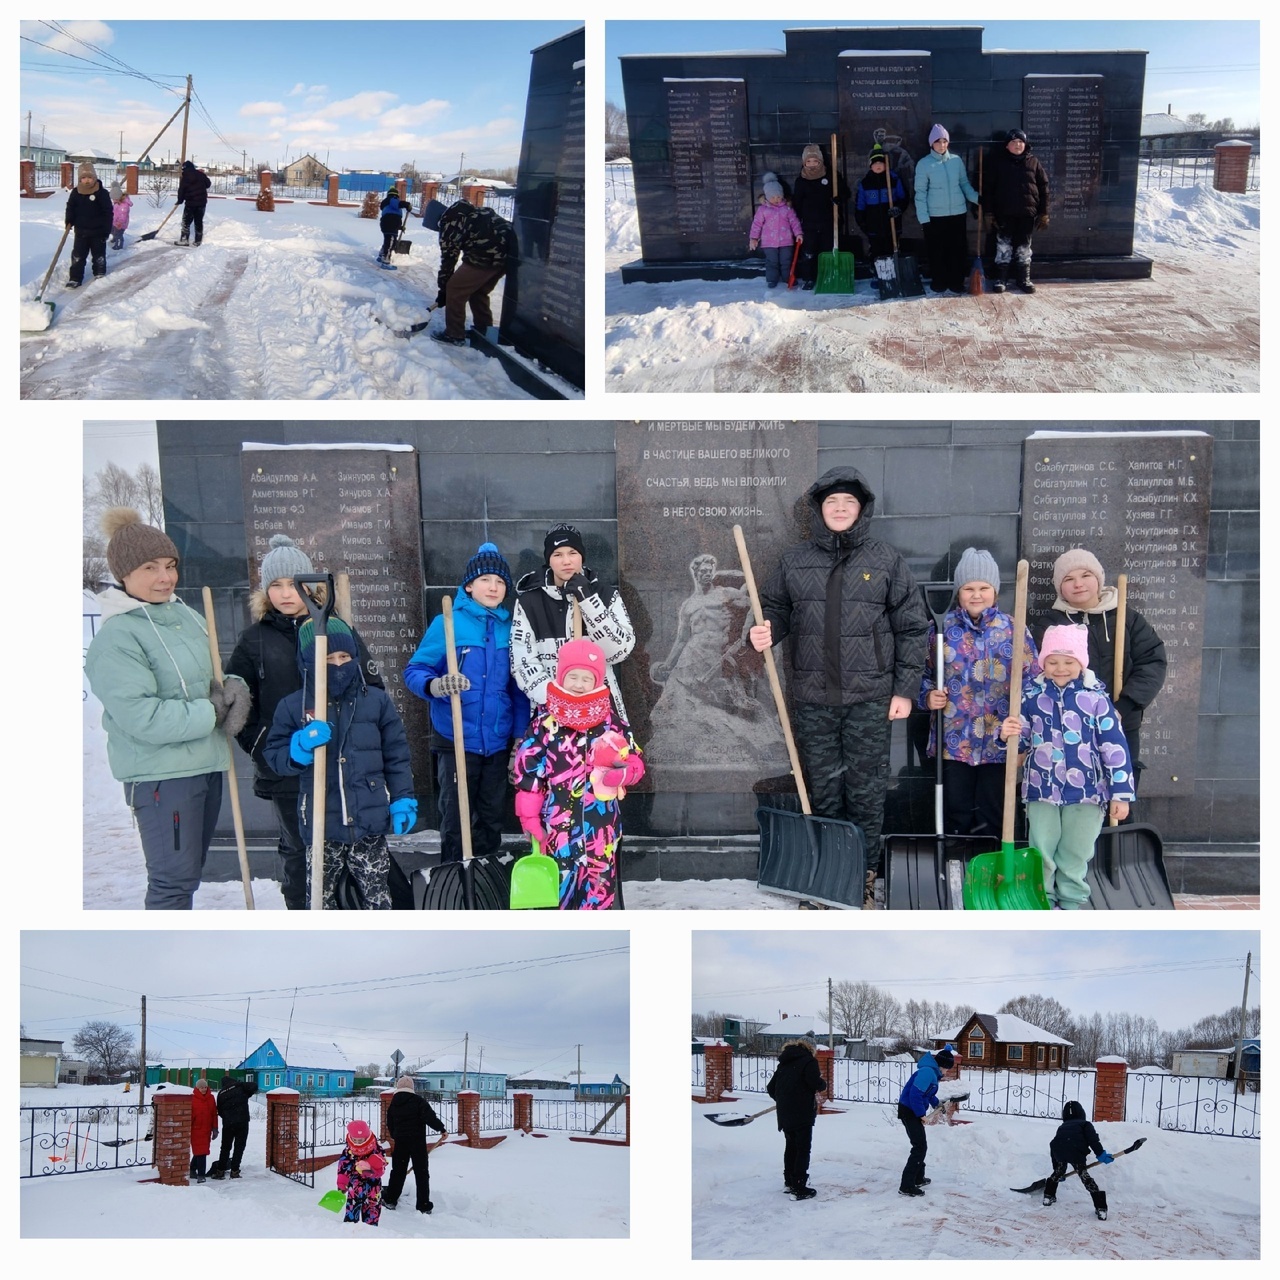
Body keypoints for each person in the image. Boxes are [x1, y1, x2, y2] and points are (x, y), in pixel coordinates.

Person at [748, 468, 929, 908]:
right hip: (813, 698)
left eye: (849, 502)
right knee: (824, 791)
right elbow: (774, 607)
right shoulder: (795, 560)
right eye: (832, 503)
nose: (841, 509)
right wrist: (766, 630)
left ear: (862, 509)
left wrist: (904, 689)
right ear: (819, 509)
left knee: (866, 792)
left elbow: (912, 626)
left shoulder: (885, 560)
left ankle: (863, 875)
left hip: (870, 699)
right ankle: (830, 876)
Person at [85, 508, 250, 909]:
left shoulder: (186, 617)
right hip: (163, 779)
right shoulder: (118, 637)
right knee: (173, 883)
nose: (165, 577)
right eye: (150, 567)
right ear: (125, 574)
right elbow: (143, 717)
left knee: (188, 876)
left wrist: (235, 689)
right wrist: (211, 713)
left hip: (205, 766)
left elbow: (214, 678)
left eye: (170, 565)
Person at [225, 535, 385, 910]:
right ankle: (303, 914)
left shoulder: (337, 629)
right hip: (286, 772)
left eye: (293, 584)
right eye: (275, 585)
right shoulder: (254, 641)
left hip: (341, 767)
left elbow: (371, 688)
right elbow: (239, 709)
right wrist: (267, 747)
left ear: (310, 588)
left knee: (343, 848)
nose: (285, 594)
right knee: (299, 850)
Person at [263, 617, 416, 910]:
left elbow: (396, 754)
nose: (338, 664)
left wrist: (402, 799)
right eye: (327, 658)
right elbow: (274, 756)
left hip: (368, 821)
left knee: (378, 896)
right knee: (321, 899)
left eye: (344, 656)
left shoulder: (376, 701)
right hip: (321, 824)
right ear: (309, 661)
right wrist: (299, 747)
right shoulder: (294, 706)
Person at [403, 542, 529, 865]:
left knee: (490, 817)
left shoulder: (509, 627)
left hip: (497, 742)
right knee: (456, 819)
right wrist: (436, 685)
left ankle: (484, 878)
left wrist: (519, 736)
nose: (493, 587)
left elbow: (517, 689)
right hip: (456, 739)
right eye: (486, 579)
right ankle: (454, 880)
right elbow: (415, 671)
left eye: (500, 582)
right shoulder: (448, 623)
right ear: (470, 585)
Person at [1000, 624, 1135, 909]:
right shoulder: (1030, 697)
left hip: (1087, 792)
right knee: (1042, 850)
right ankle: (1044, 899)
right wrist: (1007, 735)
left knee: (1077, 850)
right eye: (1053, 661)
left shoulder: (1096, 700)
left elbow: (1114, 747)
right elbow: (1019, 744)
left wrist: (1120, 794)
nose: (1060, 668)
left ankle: (1072, 901)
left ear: (1081, 663)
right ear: (1043, 663)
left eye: (1068, 662)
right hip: (1041, 789)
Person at [513, 639, 645, 909]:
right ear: (561, 676)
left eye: (587, 678)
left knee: (598, 888)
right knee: (559, 890)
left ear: (598, 682)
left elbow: (632, 757)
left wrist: (628, 772)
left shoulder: (611, 722)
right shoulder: (545, 722)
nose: (579, 684)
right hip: (558, 826)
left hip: (601, 826)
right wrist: (529, 816)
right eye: (573, 676)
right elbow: (529, 773)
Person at [918, 549, 1041, 838]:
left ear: (995, 591)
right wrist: (928, 697)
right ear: (958, 592)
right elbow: (922, 676)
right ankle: (953, 862)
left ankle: (992, 867)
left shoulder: (1014, 630)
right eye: (969, 588)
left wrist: (1021, 739)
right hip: (955, 742)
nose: (976, 595)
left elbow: (1032, 684)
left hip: (999, 743)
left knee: (994, 810)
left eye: (984, 588)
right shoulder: (940, 630)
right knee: (955, 808)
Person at [1049, 548, 1166, 795]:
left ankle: (1117, 835)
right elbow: (1042, 673)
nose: (1078, 584)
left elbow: (1152, 662)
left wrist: (1122, 707)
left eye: (1086, 575)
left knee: (1119, 796)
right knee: (1078, 796)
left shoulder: (1127, 619)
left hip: (1121, 722)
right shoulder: (1052, 625)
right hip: (1070, 726)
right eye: (1069, 579)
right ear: (1060, 587)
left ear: (1099, 579)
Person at [511, 522, 636, 721]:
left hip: (601, 710)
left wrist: (588, 601)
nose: (566, 561)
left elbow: (618, 651)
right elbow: (522, 662)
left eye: (572, 553)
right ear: (549, 560)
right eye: (557, 555)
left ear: (582, 556)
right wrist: (557, 697)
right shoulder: (529, 601)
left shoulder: (605, 594)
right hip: (551, 713)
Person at [428, 197, 517, 346]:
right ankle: (483, 330)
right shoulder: (469, 212)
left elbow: (448, 260)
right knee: (478, 291)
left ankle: (454, 334)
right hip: (510, 254)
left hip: (484, 255)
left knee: (455, 289)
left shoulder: (448, 223)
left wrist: (444, 290)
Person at [914, 124, 979, 294]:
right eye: (938, 141)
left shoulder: (956, 161)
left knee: (957, 250)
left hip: (957, 213)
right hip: (935, 216)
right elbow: (920, 193)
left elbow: (964, 184)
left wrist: (977, 199)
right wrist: (924, 219)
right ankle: (939, 280)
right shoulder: (924, 164)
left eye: (944, 141)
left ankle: (956, 281)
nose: (942, 145)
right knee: (937, 251)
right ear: (931, 144)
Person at [983, 129, 1049, 294]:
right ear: (1007, 146)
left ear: (1025, 144)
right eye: (1013, 142)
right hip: (1004, 213)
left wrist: (1044, 212)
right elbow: (988, 189)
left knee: (1024, 247)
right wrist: (989, 212)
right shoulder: (998, 163)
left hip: (1027, 213)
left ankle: (1023, 279)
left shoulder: (1033, 162)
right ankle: (1001, 278)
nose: (1017, 145)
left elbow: (1044, 187)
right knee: (1003, 246)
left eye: (1020, 141)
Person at [765, 1039, 827, 1200]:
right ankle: (799, 1187)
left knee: (791, 1146)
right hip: (802, 1113)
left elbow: (771, 1088)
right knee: (803, 1149)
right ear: (811, 1048)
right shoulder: (809, 1061)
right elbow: (814, 1082)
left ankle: (789, 1182)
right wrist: (822, 1084)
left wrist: (784, 1100)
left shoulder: (785, 1062)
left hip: (785, 1114)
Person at [382, 1075, 447, 1214]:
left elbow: (390, 1123)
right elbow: (430, 1117)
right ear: (412, 1087)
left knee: (398, 1172)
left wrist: (396, 1135)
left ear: (398, 1087)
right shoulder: (418, 1101)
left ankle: (390, 1199)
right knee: (421, 1173)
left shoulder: (394, 1103)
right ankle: (423, 1205)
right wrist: (441, 1129)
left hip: (401, 1143)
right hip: (417, 1143)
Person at [897, 1046, 954, 1196]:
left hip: (913, 1110)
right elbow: (915, 1094)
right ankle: (906, 1186)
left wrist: (937, 1104)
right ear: (943, 1065)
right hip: (908, 1111)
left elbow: (926, 1094)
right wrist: (921, 1114)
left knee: (921, 1145)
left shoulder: (932, 1074)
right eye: (947, 1069)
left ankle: (918, 1178)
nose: (947, 1072)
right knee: (919, 1146)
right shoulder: (927, 1072)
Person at [1043, 1100, 1114, 1219]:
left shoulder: (1062, 1126)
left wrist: (1057, 1169)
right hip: (1075, 1152)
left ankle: (1048, 1196)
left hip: (1058, 1150)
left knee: (1058, 1172)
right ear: (1082, 1112)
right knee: (1085, 1177)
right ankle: (1100, 1207)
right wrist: (1101, 1154)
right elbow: (1093, 1140)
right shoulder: (1085, 1124)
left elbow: (1054, 1145)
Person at [790, 142, 846, 290]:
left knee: (827, 250)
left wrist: (838, 198)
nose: (812, 164)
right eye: (809, 161)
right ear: (804, 163)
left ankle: (827, 276)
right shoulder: (801, 181)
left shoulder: (831, 176)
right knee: (809, 252)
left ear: (821, 161)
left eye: (815, 161)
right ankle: (809, 278)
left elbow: (844, 192)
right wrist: (798, 222)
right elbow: (797, 203)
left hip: (828, 221)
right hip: (809, 223)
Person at [748, 173, 803, 289]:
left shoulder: (787, 209)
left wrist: (798, 234)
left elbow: (794, 222)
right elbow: (757, 224)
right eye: (773, 197)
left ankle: (788, 277)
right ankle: (772, 279)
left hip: (786, 241)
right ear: (767, 197)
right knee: (772, 262)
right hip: (769, 242)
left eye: (778, 196)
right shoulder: (763, 210)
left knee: (786, 261)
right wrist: (754, 238)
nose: (776, 199)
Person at [64, 161, 114, 288]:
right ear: (80, 179)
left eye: (90, 177)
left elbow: (108, 212)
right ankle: (75, 278)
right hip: (80, 232)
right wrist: (69, 219)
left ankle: (99, 272)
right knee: (77, 256)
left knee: (98, 255)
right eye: (84, 178)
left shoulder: (101, 193)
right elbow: (70, 207)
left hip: (98, 232)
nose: (87, 181)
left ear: (94, 178)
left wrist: (106, 230)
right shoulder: (76, 192)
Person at [854, 144, 906, 263]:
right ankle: (878, 273)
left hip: (891, 225)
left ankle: (893, 273)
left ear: (886, 165)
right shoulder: (866, 183)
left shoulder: (894, 180)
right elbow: (860, 205)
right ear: (870, 165)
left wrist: (898, 209)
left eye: (881, 163)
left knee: (891, 250)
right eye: (875, 163)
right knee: (877, 251)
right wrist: (862, 222)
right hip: (873, 226)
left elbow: (903, 198)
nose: (878, 166)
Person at [337, 1120, 387, 1227]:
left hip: (373, 1186)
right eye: (355, 1140)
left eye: (360, 1140)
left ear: (367, 1136)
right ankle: (350, 1228)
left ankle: (370, 1230)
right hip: (355, 1185)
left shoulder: (376, 1149)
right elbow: (343, 1167)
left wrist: (369, 1169)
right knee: (352, 1207)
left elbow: (381, 1167)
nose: (357, 1142)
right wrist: (342, 1182)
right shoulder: (348, 1151)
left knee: (372, 1209)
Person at [209, 1074, 258, 1179]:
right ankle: (235, 1171)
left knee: (225, 1147)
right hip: (242, 1122)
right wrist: (240, 1084)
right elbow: (254, 1086)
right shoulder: (240, 1087)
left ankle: (220, 1171)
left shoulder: (221, 1093)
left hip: (228, 1124)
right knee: (239, 1147)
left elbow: (220, 1111)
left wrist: (228, 1117)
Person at [188, 1077, 218, 1184]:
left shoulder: (211, 1098)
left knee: (201, 1151)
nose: (204, 1089)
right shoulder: (192, 1099)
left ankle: (192, 1169)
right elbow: (190, 1115)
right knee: (201, 1152)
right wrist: (187, 1129)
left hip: (207, 1130)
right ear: (197, 1088)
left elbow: (214, 1114)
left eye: (205, 1087)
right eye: (202, 1087)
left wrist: (215, 1128)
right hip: (195, 1130)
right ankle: (201, 1175)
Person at [175, 159, 211, 246]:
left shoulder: (185, 177)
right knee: (198, 221)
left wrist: (180, 200)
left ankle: (184, 240)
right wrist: (203, 176)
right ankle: (198, 241)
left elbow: (182, 190)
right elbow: (208, 184)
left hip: (190, 203)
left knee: (186, 222)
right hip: (202, 203)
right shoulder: (201, 175)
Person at [377, 185, 403, 266]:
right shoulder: (392, 200)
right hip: (390, 224)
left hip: (388, 224)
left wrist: (399, 226)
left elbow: (395, 217)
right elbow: (394, 216)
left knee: (388, 240)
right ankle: (386, 259)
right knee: (391, 242)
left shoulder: (388, 204)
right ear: (395, 195)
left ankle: (382, 254)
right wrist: (406, 204)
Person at [109, 180, 132, 251]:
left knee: (118, 234)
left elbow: (123, 216)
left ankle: (119, 245)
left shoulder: (124, 206)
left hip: (121, 223)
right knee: (112, 231)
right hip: (115, 221)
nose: (113, 200)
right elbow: (114, 211)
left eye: (114, 199)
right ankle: (115, 238)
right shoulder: (117, 203)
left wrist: (120, 223)